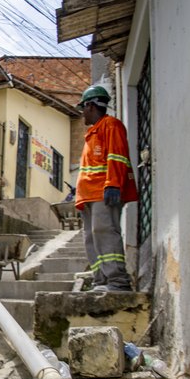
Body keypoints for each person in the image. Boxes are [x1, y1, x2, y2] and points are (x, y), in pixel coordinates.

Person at [75, 85, 138, 292]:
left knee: (105, 232)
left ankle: (117, 281)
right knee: (92, 237)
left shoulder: (110, 125)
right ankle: (101, 280)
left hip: (103, 192)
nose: (82, 113)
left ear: (91, 106)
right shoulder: (92, 133)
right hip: (89, 196)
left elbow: (117, 156)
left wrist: (113, 184)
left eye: (83, 108)